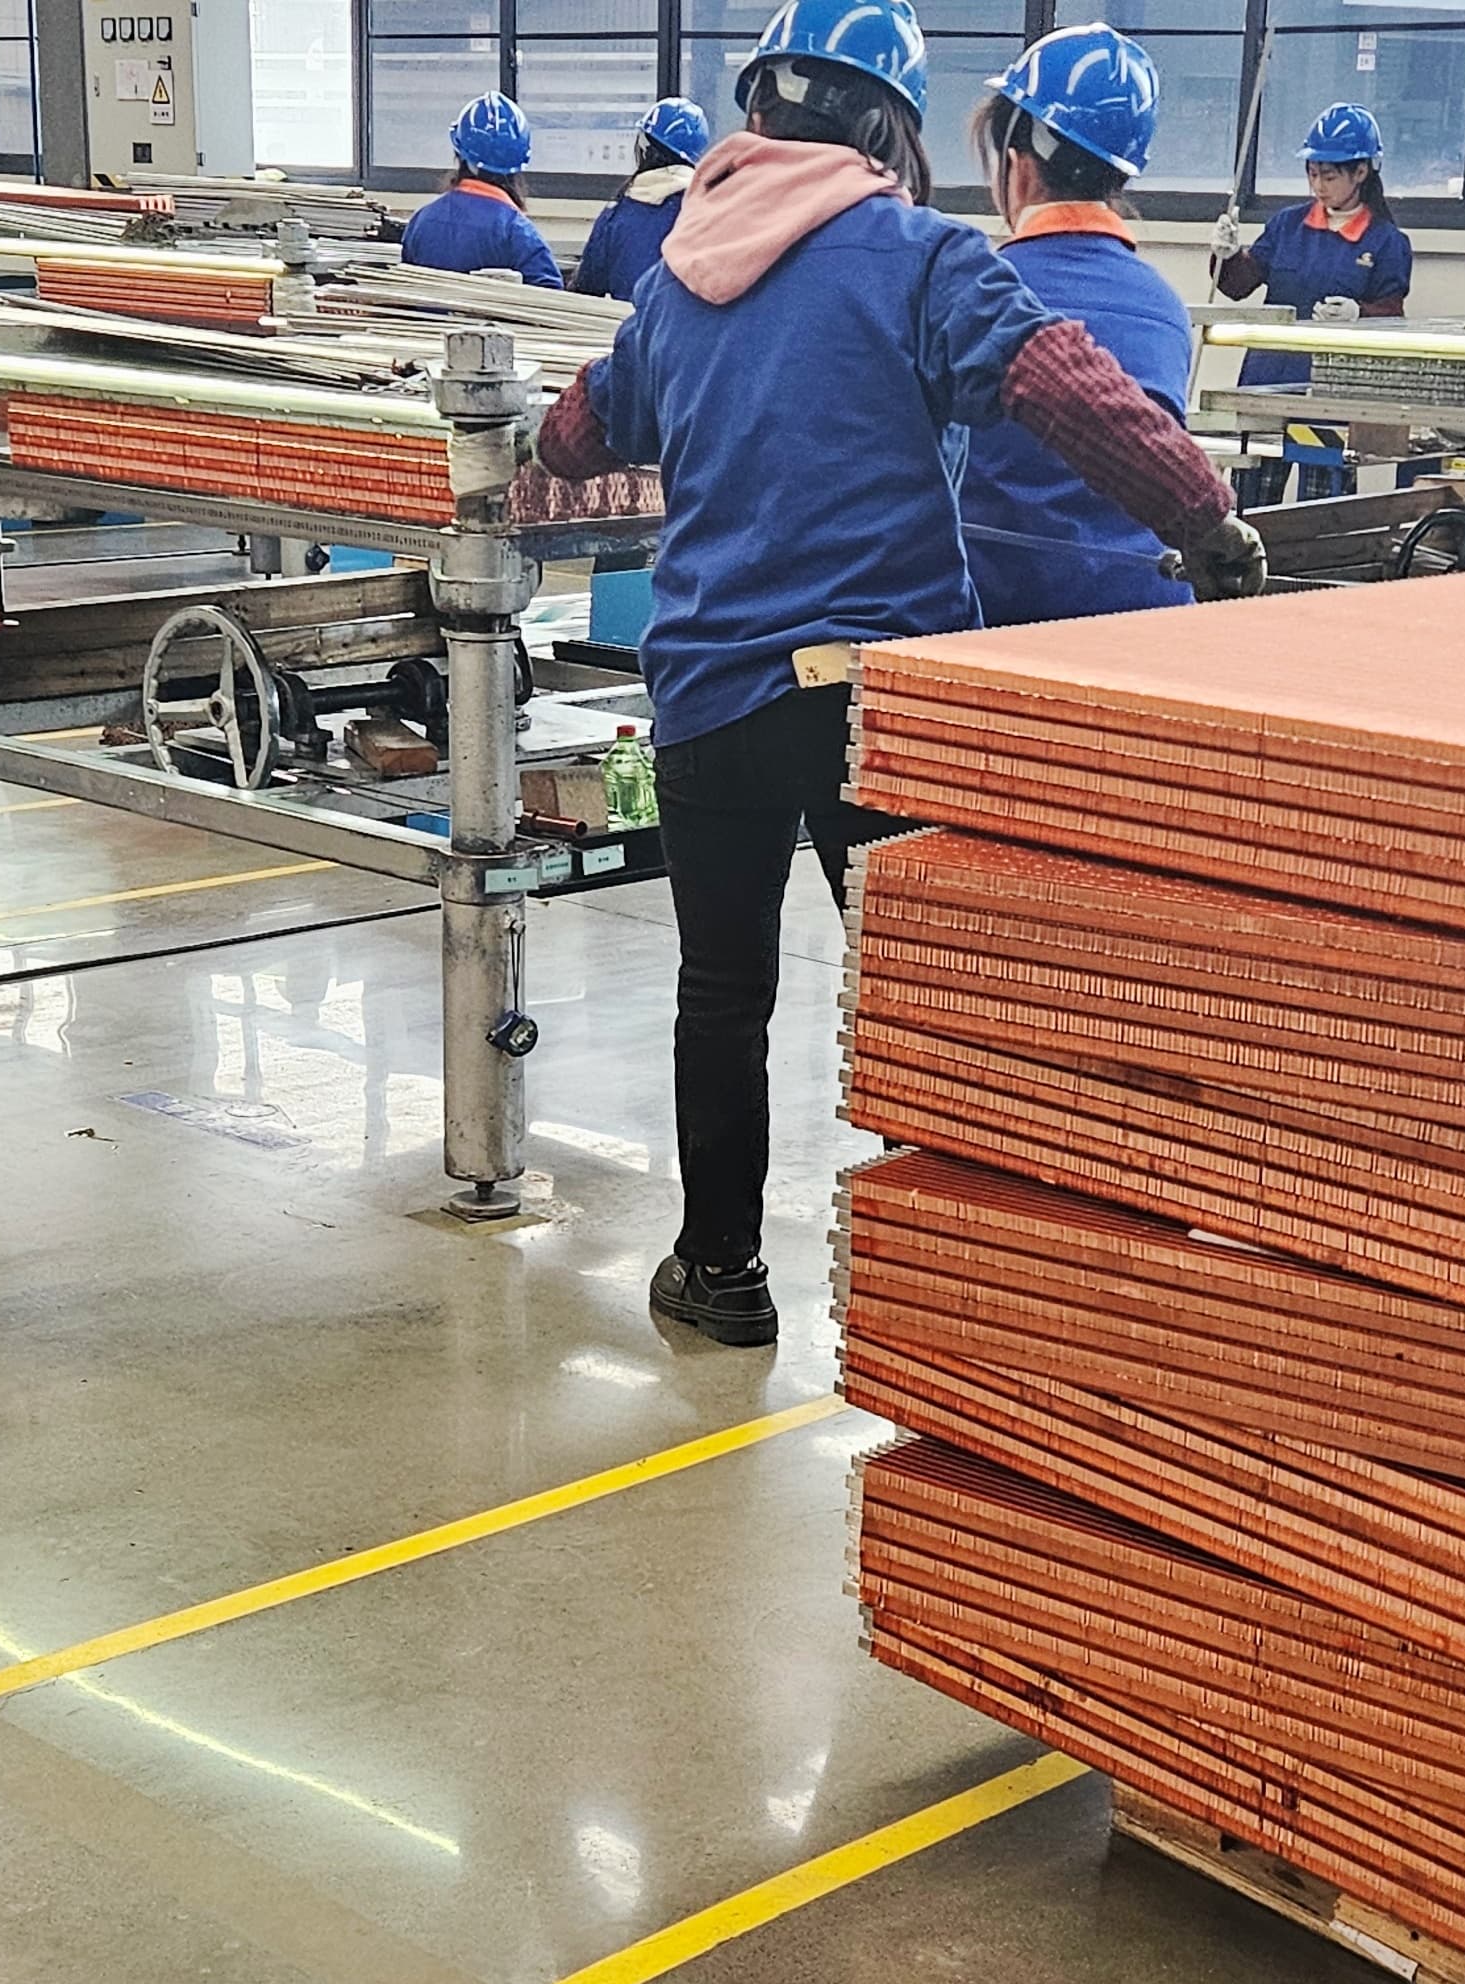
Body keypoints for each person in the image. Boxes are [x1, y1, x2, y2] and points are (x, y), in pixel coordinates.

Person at [529, 0, 1266, 1348]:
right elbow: (1076, 394)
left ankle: (721, 1272)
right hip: (870, 704)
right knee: (916, 990)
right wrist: (1206, 525)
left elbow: (585, 427)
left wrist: (522, 443)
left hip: (708, 696)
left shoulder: (674, 282)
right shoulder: (919, 259)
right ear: (887, 129)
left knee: (721, 995)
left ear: (757, 110)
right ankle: (950, 1289)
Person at [957, 24, 1198, 628]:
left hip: (996, 628)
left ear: (1016, 168)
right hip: (1149, 620)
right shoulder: (1164, 304)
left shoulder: (974, 291)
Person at [1211, 101, 1412, 497]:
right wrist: (1227, 254)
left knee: (1321, 510)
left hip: (1330, 395)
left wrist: (1360, 315)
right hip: (1267, 384)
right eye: (1312, 173)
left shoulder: (1387, 242)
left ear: (1362, 171)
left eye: (1329, 175)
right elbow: (1237, 285)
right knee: (1252, 501)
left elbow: (1393, 317)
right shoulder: (1288, 225)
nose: (1318, 185)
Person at [398, 94, 565, 288]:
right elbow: (552, 302)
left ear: (459, 154)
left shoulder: (422, 221)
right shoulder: (517, 232)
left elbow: (403, 289)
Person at [575, 96, 712, 299]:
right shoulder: (710, 210)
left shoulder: (617, 214)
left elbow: (587, 289)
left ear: (644, 149)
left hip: (626, 326)